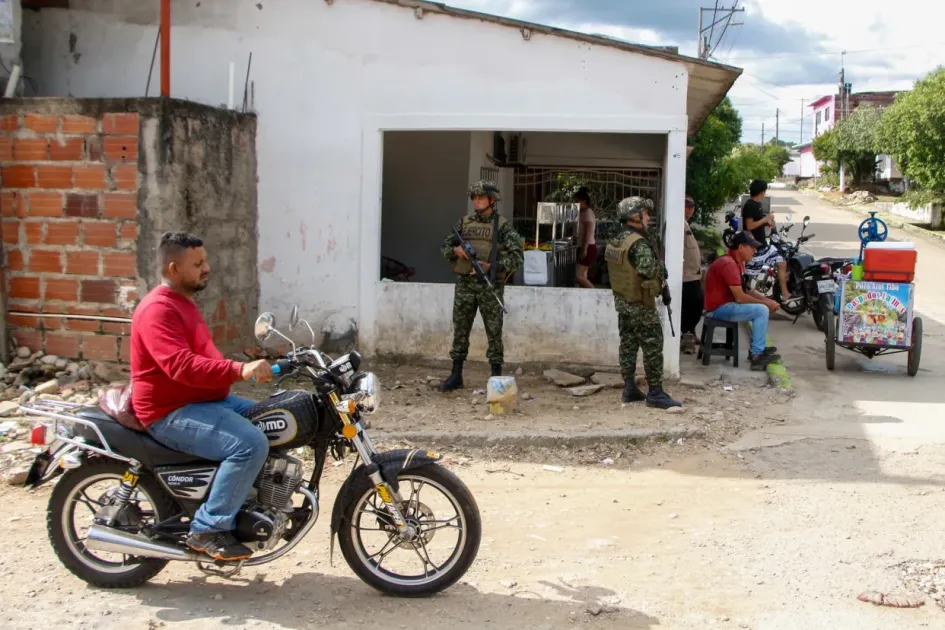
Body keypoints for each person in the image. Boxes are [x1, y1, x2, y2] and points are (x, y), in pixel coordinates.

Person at [132, 232, 274, 562]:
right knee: (249, 444)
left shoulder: (183, 303)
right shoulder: (158, 310)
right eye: (197, 264)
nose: (206, 268)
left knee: (274, 417)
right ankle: (208, 528)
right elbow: (180, 366)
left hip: (202, 400)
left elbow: (205, 360)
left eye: (205, 260)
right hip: (170, 410)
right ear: (173, 268)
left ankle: (249, 502)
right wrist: (240, 370)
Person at [439, 180, 524, 392]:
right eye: (474, 198)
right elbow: (445, 247)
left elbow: (517, 257)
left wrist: (491, 266)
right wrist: (456, 251)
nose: (476, 201)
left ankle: (496, 376)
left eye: (481, 197)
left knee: (494, 332)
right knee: (460, 330)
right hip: (465, 283)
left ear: (492, 200)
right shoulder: (462, 224)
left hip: (490, 286)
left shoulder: (502, 226)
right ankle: (456, 374)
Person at [604, 196, 681, 409]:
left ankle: (629, 388)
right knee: (652, 346)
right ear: (634, 216)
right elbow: (647, 270)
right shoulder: (637, 242)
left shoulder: (616, 239)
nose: (648, 217)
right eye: (645, 214)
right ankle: (655, 392)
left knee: (628, 344)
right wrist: (660, 268)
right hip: (640, 303)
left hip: (624, 301)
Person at [703, 231, 782, 371]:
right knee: (761, 311)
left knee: (762, 307)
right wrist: (766, 304)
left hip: (725, 305)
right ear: (740, 247)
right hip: (717, 309)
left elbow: (746, 290)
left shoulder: (737, 263)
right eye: (751, 247)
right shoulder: (728, 264)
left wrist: (767, 300)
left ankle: (758, 348)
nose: (755, 250)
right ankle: (757, 356)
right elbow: (740, 297)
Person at [740, 179, 799, 307]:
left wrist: (768, 222)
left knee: (782, 262)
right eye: (765, 191)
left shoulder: (758, 205)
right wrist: (765, 219)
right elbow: (749, 226)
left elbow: (759, 221)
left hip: (764, 246)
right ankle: (745, 299)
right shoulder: (750, 205)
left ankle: (785, 294)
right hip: (754, 248)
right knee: (749, 279)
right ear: (762, 192)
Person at [680, 196, 703, 354]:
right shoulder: (678, 223)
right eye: (687, 206)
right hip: (685, 276)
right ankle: (687, 338)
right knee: (690, 307)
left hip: (692, 275)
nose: (690, 210)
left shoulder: (685, 224)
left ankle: (690, 333)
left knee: (696, 304)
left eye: (692, 207)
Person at [574, 187, 597, 289]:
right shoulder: (581, 213)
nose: (575, 204)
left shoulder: (587, 213)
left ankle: (596, 295)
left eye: (577, 201)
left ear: (584, 201)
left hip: (589, 247)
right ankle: (587, 298)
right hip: (584, 246)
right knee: (583, 276)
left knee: (578, 276)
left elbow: (588, 233)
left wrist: (584, 249)